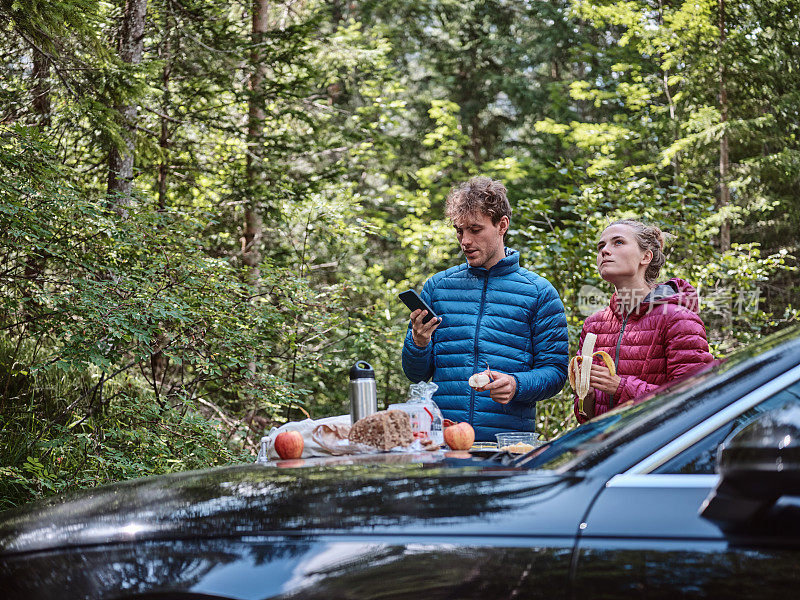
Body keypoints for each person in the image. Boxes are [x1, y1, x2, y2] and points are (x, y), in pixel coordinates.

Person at [402, 176, 569, 442]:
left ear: (502, 225)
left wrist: (517, 384)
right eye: (459, 230)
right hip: (443, 442)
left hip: (508, 444)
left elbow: (556, 372)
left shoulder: (539, 293)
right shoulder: (438, 288)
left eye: (475, 229)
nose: (465, 240)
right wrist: (418, 343)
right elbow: (416, 374)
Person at [574, 219, 714, 422]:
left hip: (658, 448)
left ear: (646, 257)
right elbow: (586, 416)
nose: (604, 251)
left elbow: (694, 398)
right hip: (606, 446)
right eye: (601, 246)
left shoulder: (679, 319)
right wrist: (586, 397)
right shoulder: (594, 325)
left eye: (618, 242)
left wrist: (620, 387)